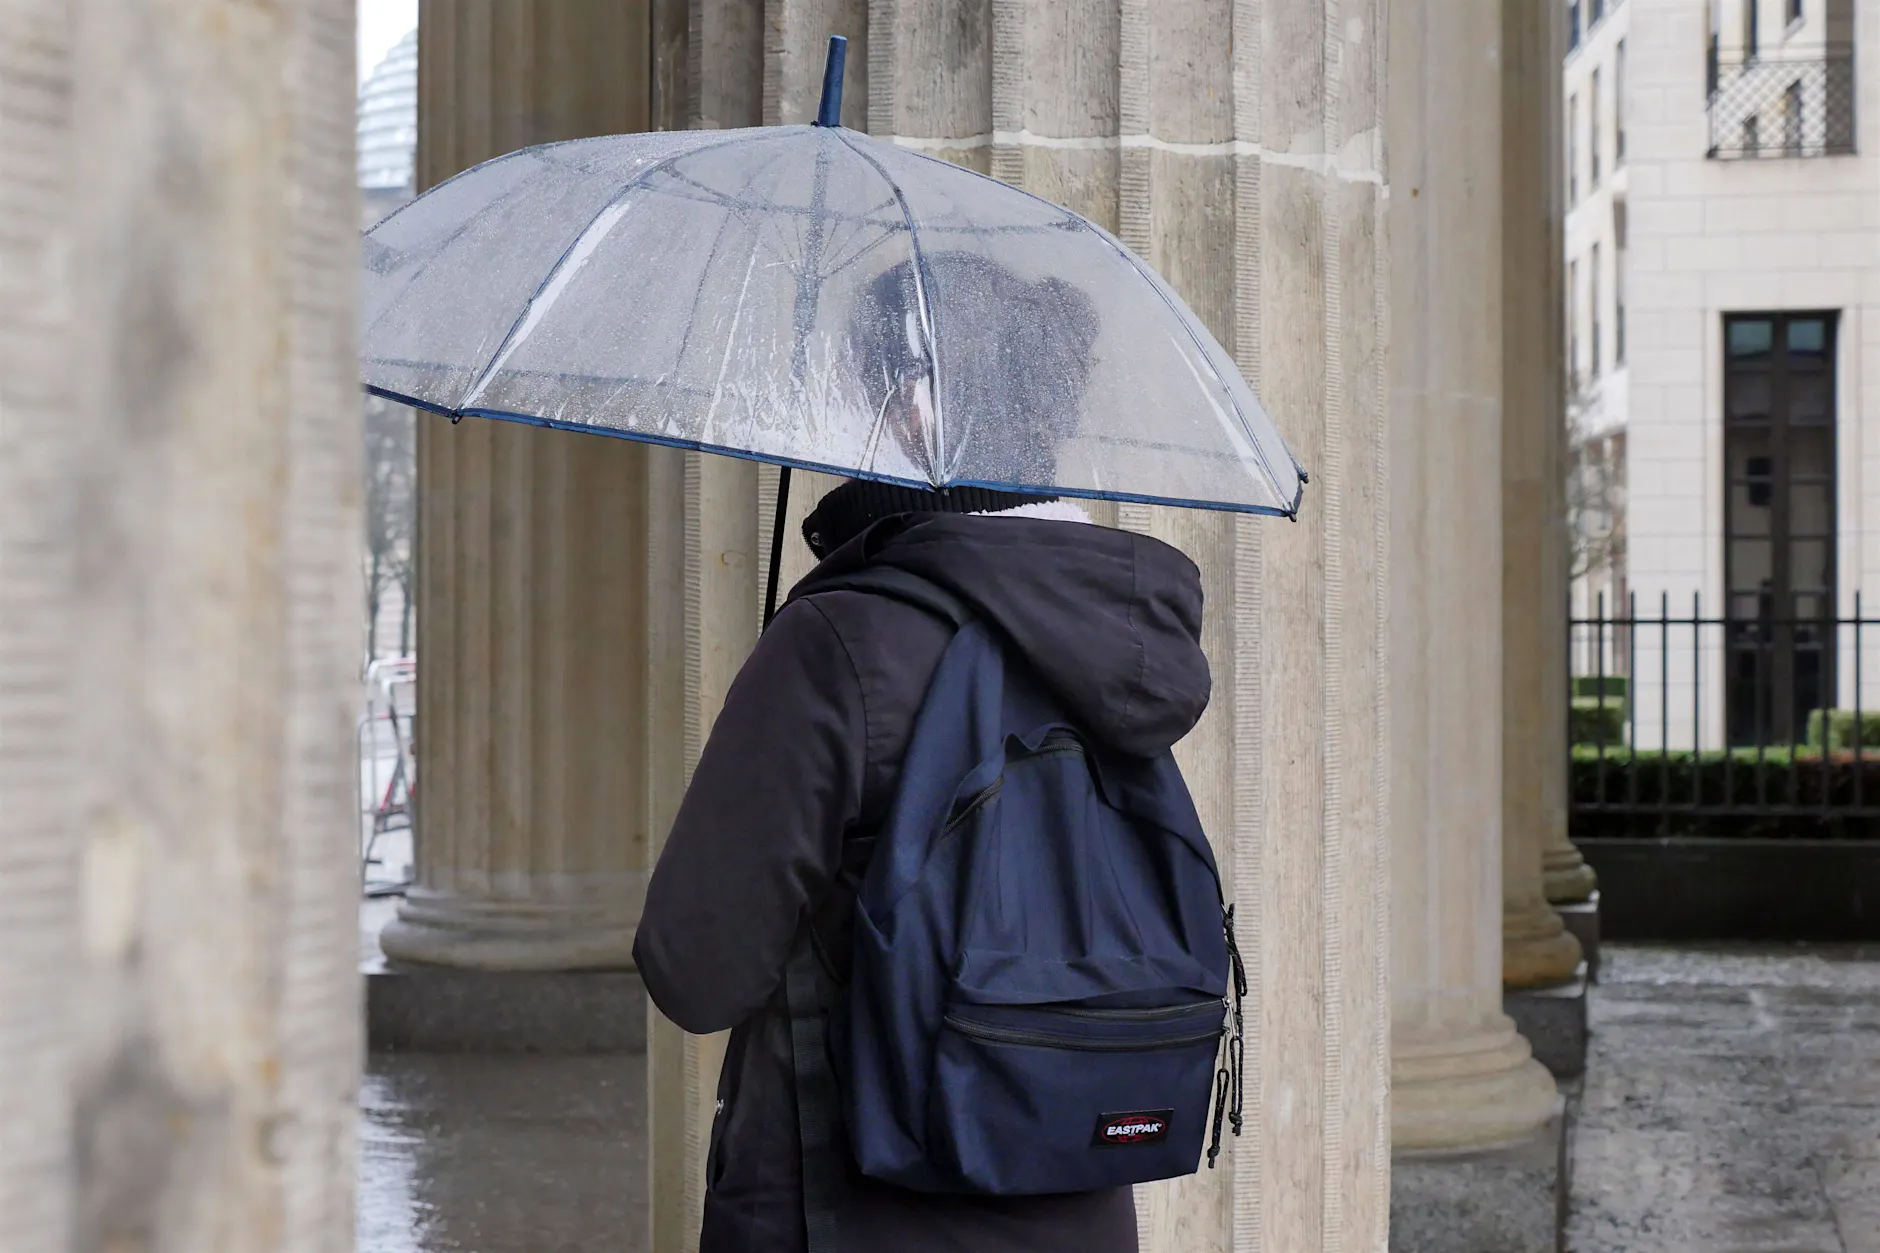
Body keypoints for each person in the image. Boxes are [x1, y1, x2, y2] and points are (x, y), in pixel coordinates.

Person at [633, 254, 1213, 1253]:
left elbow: (695, 969)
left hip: (847, 1209)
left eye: (864, 382)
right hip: (1079, 1213)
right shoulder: (1121, 635)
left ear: (912, 403)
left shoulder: (840, 642)